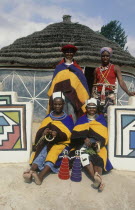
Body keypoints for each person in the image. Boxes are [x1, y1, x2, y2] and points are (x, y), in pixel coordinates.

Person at [23, 91, 74, 185]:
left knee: (53, 153)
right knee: (41, 151)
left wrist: (57, 134)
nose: (57, 106)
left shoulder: (67, 119)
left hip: (61, 144)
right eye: (55, 104)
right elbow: (40, 132)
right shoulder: (48, 117)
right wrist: (44, 132)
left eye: (59, 104)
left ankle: (40, 176)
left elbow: (68, 135)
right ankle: (31, 171)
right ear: (52, 105)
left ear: (63, 104)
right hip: (47, 141)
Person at [70, 98, 112, 191]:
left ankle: (97, 178)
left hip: (97, 146)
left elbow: (104, 135)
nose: (91, 109)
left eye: (94, 107)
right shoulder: (81, 119)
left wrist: (97, 142)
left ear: (96, 108)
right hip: (83, 144)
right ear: (86, 108)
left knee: (98, 156)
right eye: (89, 107)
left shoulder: (101, 119)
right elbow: (75, 133)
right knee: (84, 153)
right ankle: (97, 179)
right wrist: (83, 138)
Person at [47, 44, 90, 122]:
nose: (69, 54)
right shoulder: (59, 67)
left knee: (72, 112)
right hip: (61, 95)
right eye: (67, 52)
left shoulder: (77, 68)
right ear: (64, 53)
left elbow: (82, 83)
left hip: (73, 96)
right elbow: (55, 82)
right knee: (61, 111)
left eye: (71, 52)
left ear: (73, 53)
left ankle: (72, 130)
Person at [92, 47, 135, 114]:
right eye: (103, 56)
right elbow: (94, 85)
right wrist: (92, 96)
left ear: (110, 57)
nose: (105, 58)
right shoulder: (97, 70)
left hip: (109, 95)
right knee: (96, 114)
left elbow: (121, 81)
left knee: (109, 114)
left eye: (107, 56)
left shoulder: (115, 68)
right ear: (100, 57)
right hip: (98, 95)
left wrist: (128, 92)